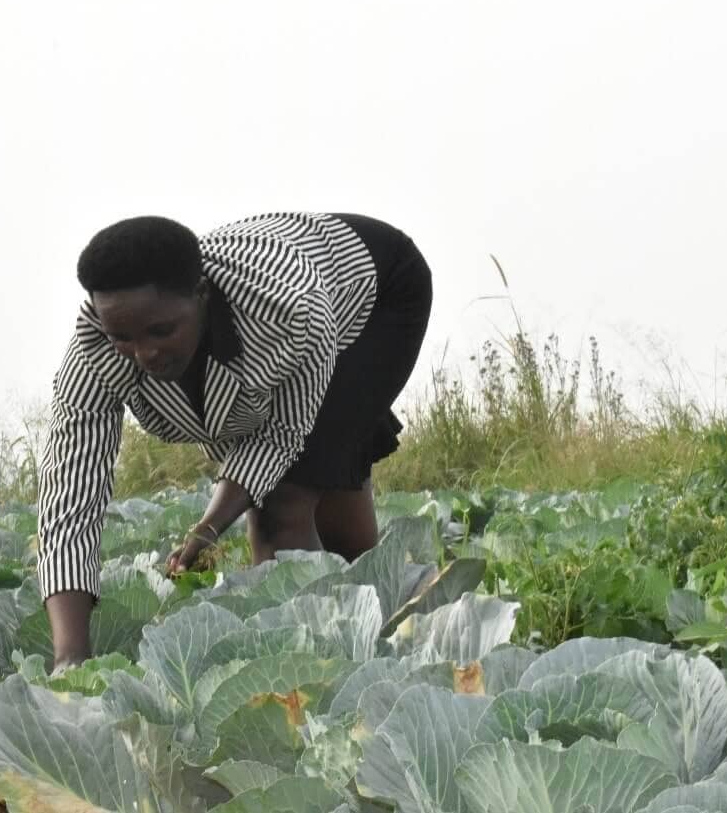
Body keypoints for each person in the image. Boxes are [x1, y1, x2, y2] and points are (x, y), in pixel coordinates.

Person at [37, 212, 432, 667]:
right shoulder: (93, 353)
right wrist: (70, 657)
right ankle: (392, 610)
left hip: (377, 293)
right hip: (308, 283)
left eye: (161, 331)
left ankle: (316, 668)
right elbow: (70, 497)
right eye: (122, 336)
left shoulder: (287, 312)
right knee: (327, 481)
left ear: (201, 296)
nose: (144, 353)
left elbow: (281, 436)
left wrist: (209, 527)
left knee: (282, 504)